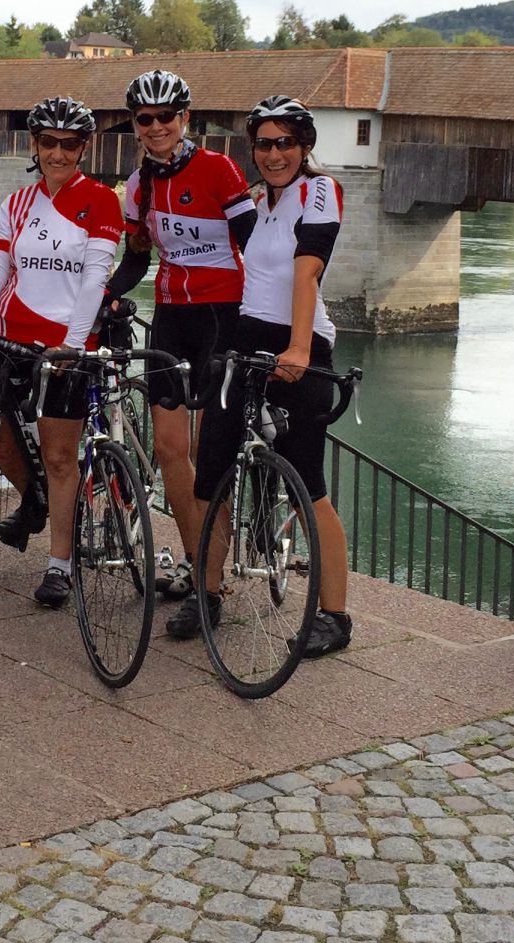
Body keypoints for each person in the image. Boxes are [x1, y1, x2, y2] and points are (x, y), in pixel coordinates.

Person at [183, 94, 355, 655]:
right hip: (246, 338)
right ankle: (206, 592)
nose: (274, 153)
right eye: (264, 143)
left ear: (304, 146)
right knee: (209, 471)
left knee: (308, 478)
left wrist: (301, 347)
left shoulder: (320, 192)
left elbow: (306, 274)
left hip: (300, 342)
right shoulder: (261, 202)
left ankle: (334, 616)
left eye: (285, 142)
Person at [0, 96, 123, 606]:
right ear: (35, 146)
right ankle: (33, 500)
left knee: (60, 456)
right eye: (48, 143)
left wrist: (75, 341)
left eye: (69, 144)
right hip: (7, 335)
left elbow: (94, 277)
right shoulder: (16, 203)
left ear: (83, 148)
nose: (58, 154)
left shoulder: (102, 201)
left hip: (65, 344)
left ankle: (59, 563)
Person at [103, 68, 257, 605]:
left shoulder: (220, 171)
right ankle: (198, 569)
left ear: (184, 118)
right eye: (145, 119)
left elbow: (254, 247)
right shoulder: (138, 185)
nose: (156, 126)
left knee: (207, 455)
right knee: (170, 448)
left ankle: (212, 580)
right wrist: (103, 295)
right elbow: (137, 260)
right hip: (171, 316)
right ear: (136, 125)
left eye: (166, 116)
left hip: (224, 316)